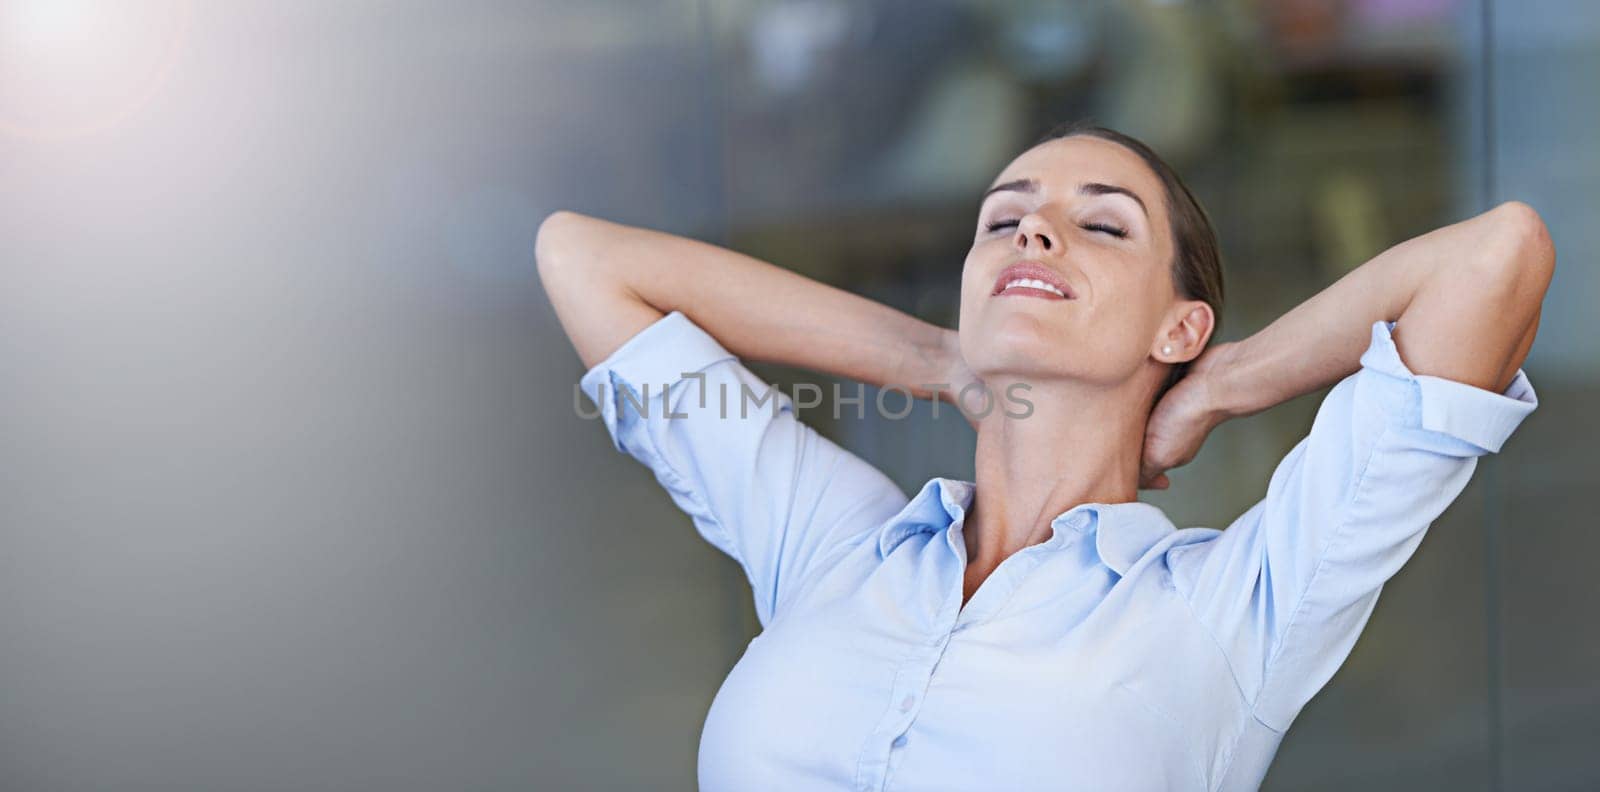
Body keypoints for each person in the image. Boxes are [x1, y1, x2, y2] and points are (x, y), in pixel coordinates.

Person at [535, 123, 1550, 791]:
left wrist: (1223, 383)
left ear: (1177, 326)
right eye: (1003, 219)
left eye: (1100, 223)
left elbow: (1492, 259)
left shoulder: (1230, 610)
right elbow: (585, 259)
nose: (1035, 232)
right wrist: (938, 356)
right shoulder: (830, 544)